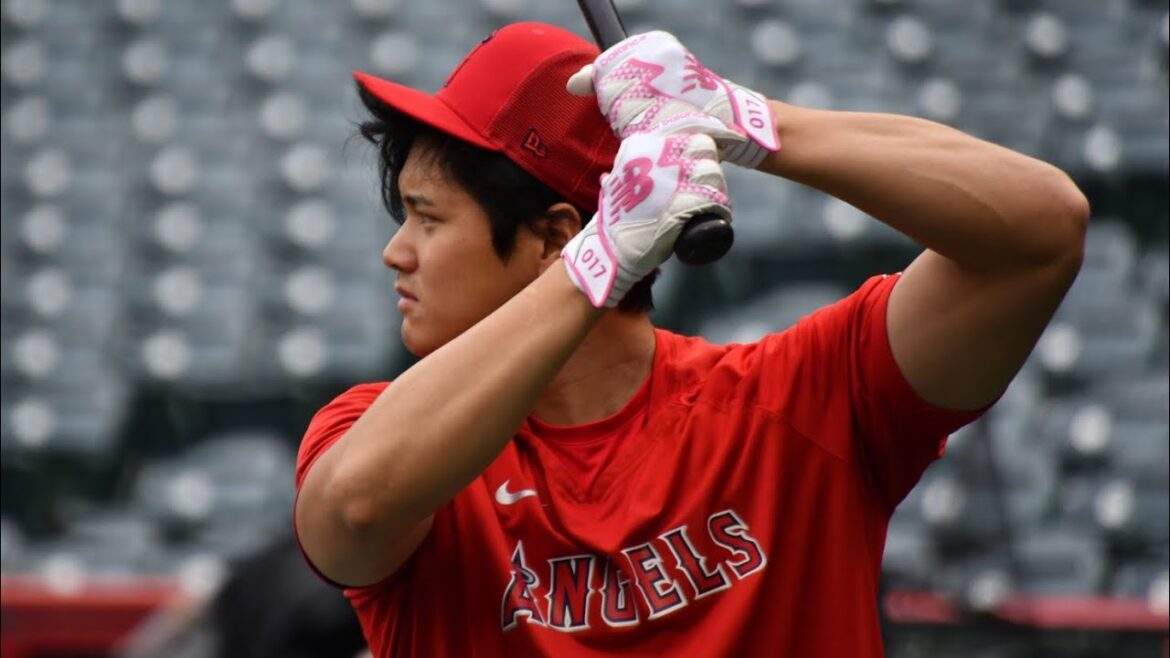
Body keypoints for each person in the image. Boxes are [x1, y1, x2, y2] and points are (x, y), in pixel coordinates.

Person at [292, 22, 1088, 657]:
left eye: (427, 218)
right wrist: (599, 262)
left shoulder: (798, 396)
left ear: (551, 235)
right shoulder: (373, 429)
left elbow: (1043, 230)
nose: (395, 253)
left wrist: (741, 118)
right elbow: (356, 509)